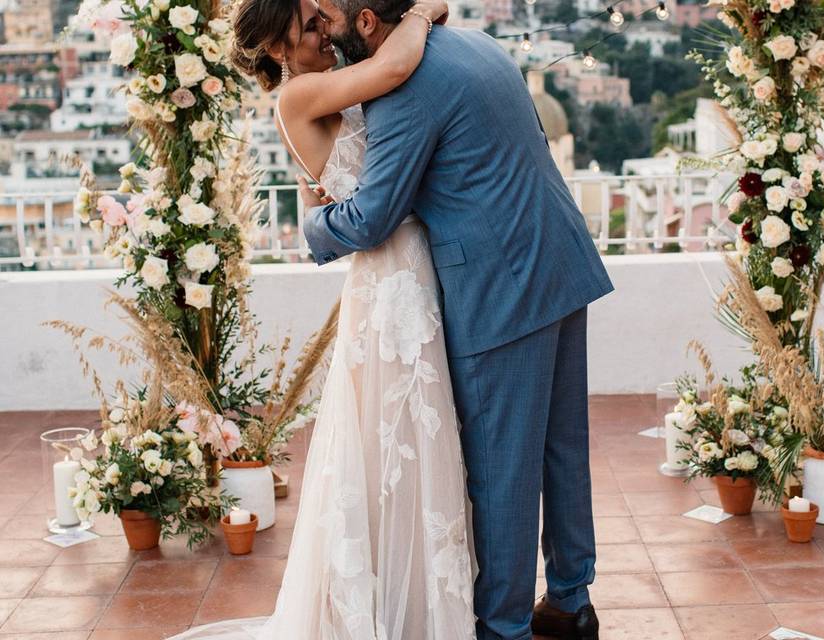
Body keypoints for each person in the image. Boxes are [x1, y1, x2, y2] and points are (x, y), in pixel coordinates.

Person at [298, 0, 614, 637]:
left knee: (502, 470)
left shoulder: (405, 90)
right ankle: (572, 601)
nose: (326, 32)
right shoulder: (476, 43)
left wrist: (310, 229)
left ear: (365, 21)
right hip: (559, 258)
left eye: (331, 18)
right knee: (561, 448)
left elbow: (372, 217)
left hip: (502, 287)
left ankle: (503, 628)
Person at [164, 0, 477, 638]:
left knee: (415, 438)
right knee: (393, 434)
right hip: (391, 282)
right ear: (278, 47)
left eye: (318, 17)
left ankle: (415, 597)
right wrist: (422, 12)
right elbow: (393, 72)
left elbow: (320, 192)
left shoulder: (325, 91)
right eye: (309, 26)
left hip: (411, 271)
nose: (323, 29)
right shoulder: (300, 94)